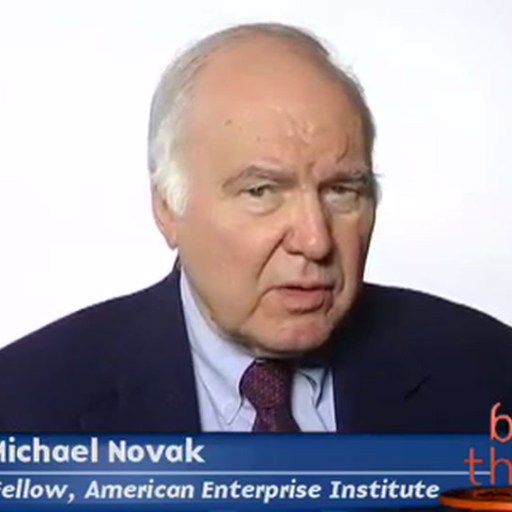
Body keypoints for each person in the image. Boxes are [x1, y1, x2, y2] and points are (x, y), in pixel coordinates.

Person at [0, 23, 511, 433]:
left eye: (342, 191)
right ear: (167, 207)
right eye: (262, 192)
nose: (315, 241)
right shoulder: (23, 404)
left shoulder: (490, 374)